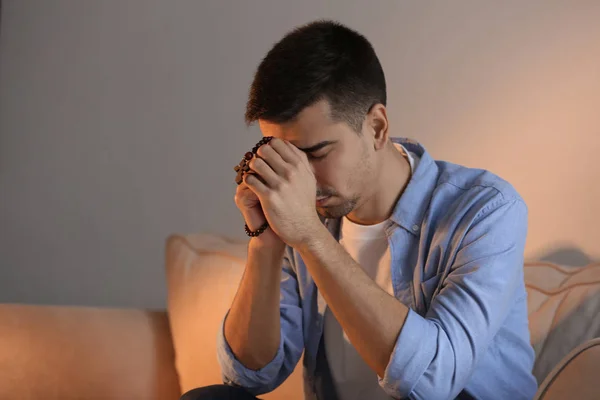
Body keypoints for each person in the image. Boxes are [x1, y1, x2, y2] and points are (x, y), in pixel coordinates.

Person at [182, 20, 538, 400]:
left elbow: (433, 382)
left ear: (377, 127)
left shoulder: (486, 210)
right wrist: (266, 243)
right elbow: (249, 377)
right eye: (283, 157)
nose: (297, 177)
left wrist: (311, 238)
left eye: (315, 153)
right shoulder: (297, 212)